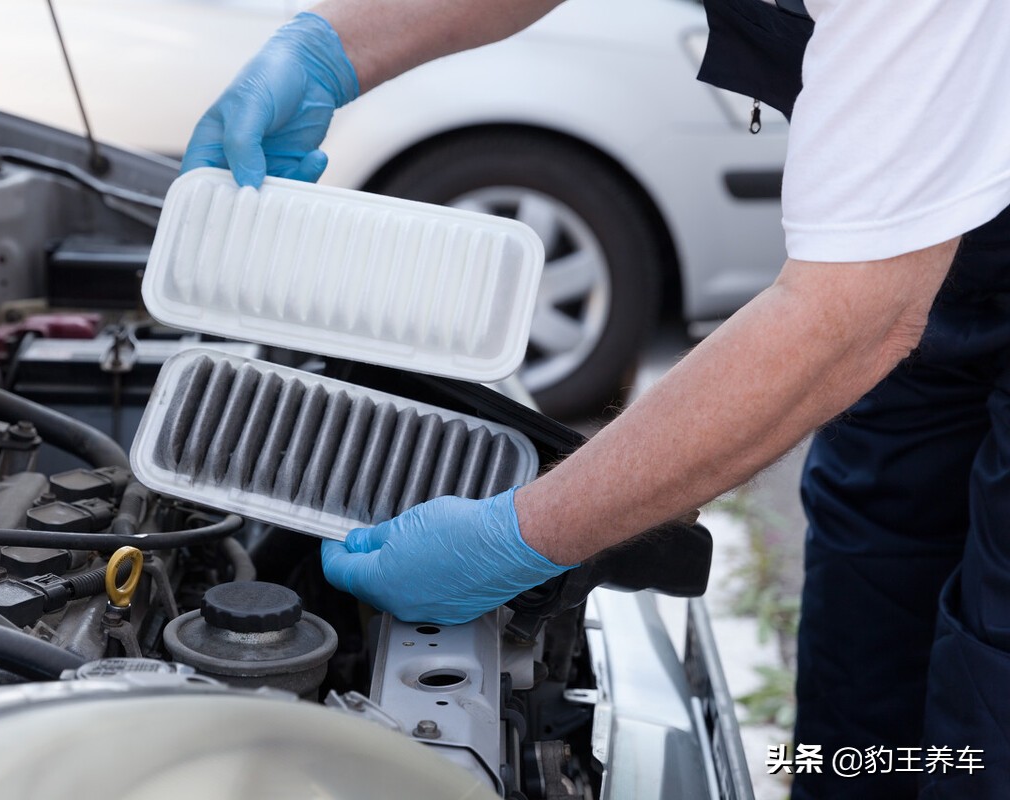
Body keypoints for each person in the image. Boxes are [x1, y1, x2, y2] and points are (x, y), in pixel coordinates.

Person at [181, 1, 1010, 797]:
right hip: (943, 226)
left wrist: (527, 536)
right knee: (873, 587)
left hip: (911, 251)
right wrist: (330, 46)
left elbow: (847, 323)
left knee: (993, 676)